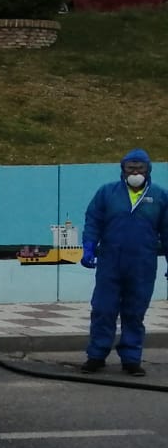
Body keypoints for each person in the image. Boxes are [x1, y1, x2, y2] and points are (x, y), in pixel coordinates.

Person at [80, 148, 168, 376]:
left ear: (148, 170)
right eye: (131, 168)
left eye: (140, 168)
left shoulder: (160, 196)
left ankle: (131, 358)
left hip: (142, 264)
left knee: (135, 312)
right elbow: (93, 220)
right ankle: (96, 355)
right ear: (123, 170)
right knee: (103, 309)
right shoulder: (107, 193)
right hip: (110, 262)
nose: (135, 172)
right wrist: (89, 246)